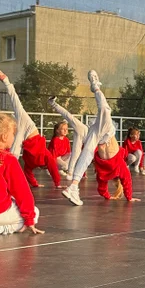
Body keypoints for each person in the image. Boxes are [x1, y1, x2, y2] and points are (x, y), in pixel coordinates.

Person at [0, 69, 62, 188]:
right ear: (43, 166)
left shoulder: (38, 160)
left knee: (13, 154)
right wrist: (57, 184)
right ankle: (7, 82)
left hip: (26, 134)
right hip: (28, 130)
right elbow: (50, 169)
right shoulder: (41, 158)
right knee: (13, 155)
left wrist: (40, 183)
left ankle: (3, 176)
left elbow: (48, 169)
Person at [62, 71, 122, 206]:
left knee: (86, 155)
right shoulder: (119, 168)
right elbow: (126, 181)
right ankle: (95, 86)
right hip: (106, 132)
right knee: (105, 110)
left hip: (98, 135)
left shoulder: (106, 173)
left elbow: (102, 185)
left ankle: (73, 187)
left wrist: (108, 195)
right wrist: (129, 197)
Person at [48, 98, 89, 179]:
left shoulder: (66, 139)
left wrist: (82, 173)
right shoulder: (56, 139)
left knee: (76, 154)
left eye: (66, 129)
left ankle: (70, 173)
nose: (66, 130)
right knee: (68, 116)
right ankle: (53, 103)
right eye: (63, 129)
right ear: (57, 131)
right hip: (85, 131)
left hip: (86, 137)